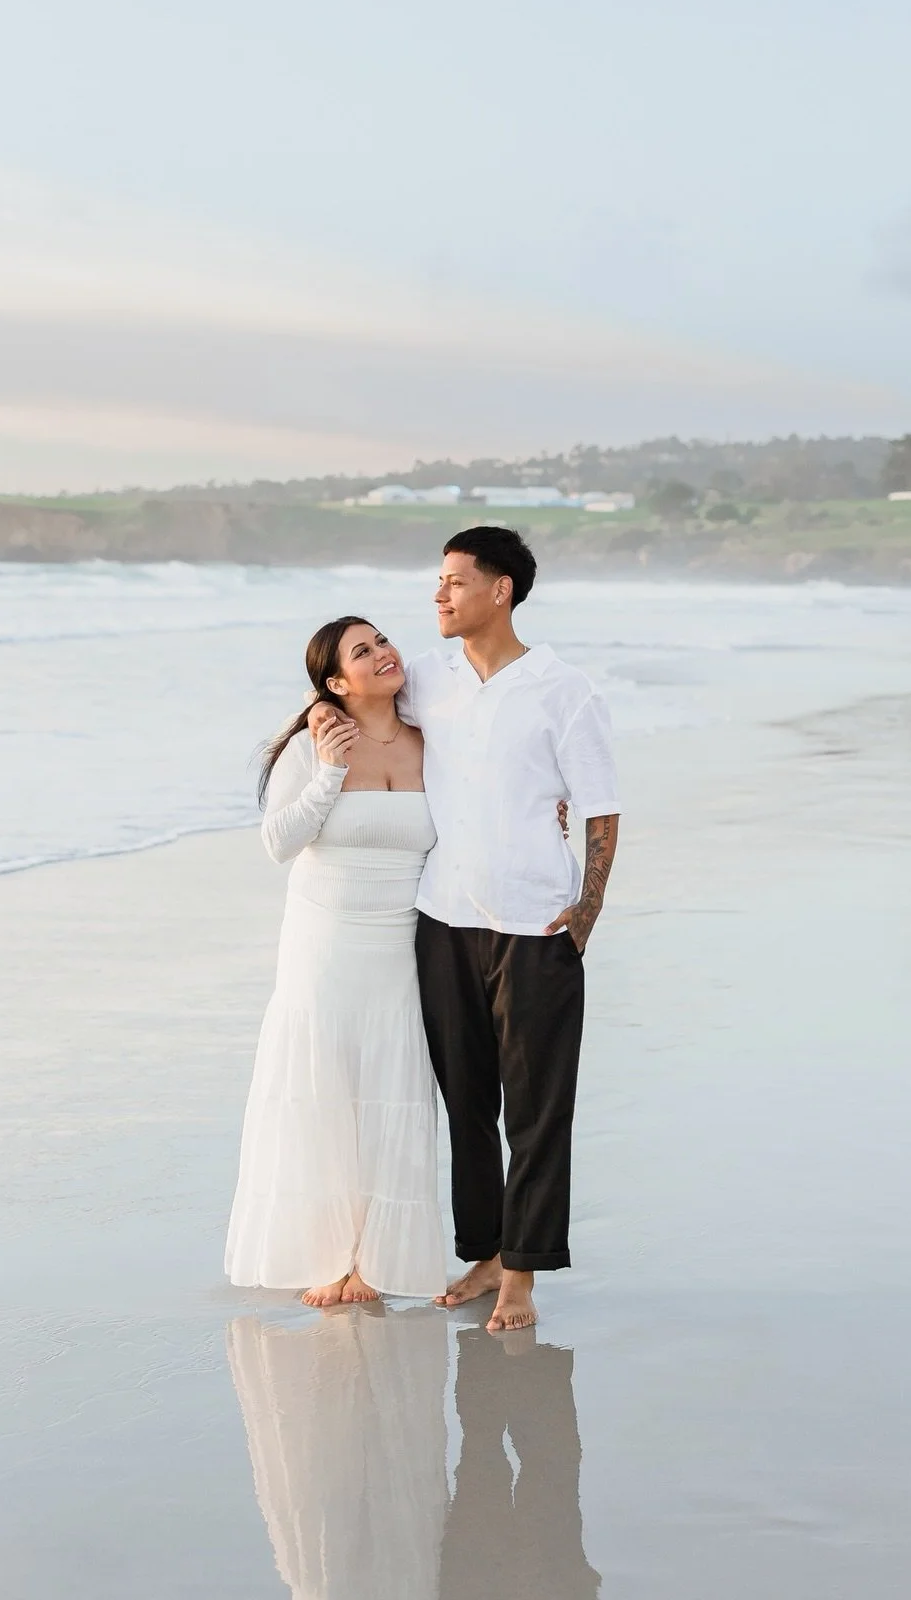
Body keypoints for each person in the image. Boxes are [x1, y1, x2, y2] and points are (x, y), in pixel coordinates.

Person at [401, 527, 620, 1332]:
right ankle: (485, 1249)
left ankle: (524, 1272)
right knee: (466, 1104)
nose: (439, 595)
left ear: (501, 590)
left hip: (536, 926)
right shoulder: (426, 679)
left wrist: (588, 909)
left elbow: (601, 802)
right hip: (443, 920)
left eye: (456, 581)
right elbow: (355, 700)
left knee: (535, 1111)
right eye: (438, 580)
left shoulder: (563, 689)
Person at [225, 616, 448, 1306]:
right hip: (324, 944)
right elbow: (279, 842)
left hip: (401, 943)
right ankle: (327, 1257)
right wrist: (328, 773)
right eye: (363, 651)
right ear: (334, 683)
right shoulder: (314, 744)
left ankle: (374, 1261)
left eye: (382, 641)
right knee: (324, 1091)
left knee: (392, 1091)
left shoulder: (431, 740)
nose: (383, 653)